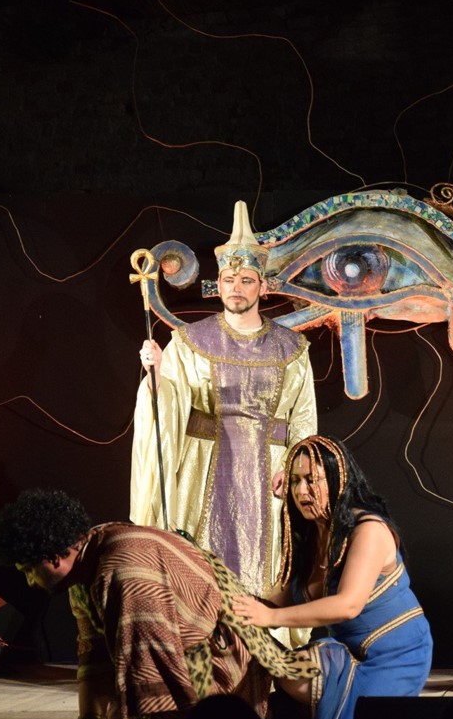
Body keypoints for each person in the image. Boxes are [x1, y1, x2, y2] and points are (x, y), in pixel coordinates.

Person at [0, 487, 314, 719]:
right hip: (192, 647)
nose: (30, 582)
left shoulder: (123, 572)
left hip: (224, 652)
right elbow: (92, 662)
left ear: (53, 558)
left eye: (28, 571)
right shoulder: (87, 561)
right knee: (118, 700)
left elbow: (143, 671)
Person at [131, 199, 318, 637]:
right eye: (230, 279)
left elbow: (304, 419)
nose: (237, 287)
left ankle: (262, 651)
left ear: (262, 286)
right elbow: (169, 404)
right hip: (203, 470)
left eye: (246, 280)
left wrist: (297, 471)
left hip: (269, 477)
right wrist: (157, 375)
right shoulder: (189, 341)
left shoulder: (292, 348)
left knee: (265, 565)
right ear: (219, 284)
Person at [230, 434, 434, 719]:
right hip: (348, 653)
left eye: (312, 480)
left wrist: (269, 617)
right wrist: (232, 607)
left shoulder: (369, 530)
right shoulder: (311, 535)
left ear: (338, 479)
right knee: (273, 662)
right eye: (295, 481)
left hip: (396, 655)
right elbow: (277, 598)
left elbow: (348, 605)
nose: (301, 491)